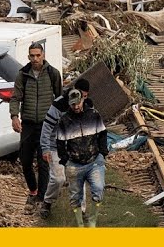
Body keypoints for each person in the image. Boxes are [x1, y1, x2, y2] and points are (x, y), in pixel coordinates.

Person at [9, 41, 63, 211]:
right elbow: (15, 97)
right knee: (25, 161)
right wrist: (14, 116)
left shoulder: (53, 73)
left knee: (43, 162)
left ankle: (42, 198)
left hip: (47, 126)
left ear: (43, 55)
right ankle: (33, 190)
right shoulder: (23, 74)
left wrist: (60, 122)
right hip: (28, 125)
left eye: (38, 55)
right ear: (28, 57)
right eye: (32, 56)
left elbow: (60, 99)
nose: (35, 59)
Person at [54, 86, 109, 227]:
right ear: (69, 104)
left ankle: (92, 222)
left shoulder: (94, 115)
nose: (76, 106)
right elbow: (60, 142)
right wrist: (65, 159)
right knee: (75, 197)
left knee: (98, 189)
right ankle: (80, 225)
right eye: (73, 104)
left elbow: (102, 133)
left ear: (82, 100)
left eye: (78, 103)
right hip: (74, 164)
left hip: (94, 161)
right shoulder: (64, 120)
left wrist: (103, 153)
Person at [37, 77, 91, 219]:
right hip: (56, 146)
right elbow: (47, 127)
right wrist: (45, 148)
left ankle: (81, 210)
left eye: (84, 97)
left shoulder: (87, 106)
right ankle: (47, 202)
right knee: (58, 179)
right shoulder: (59, 104)